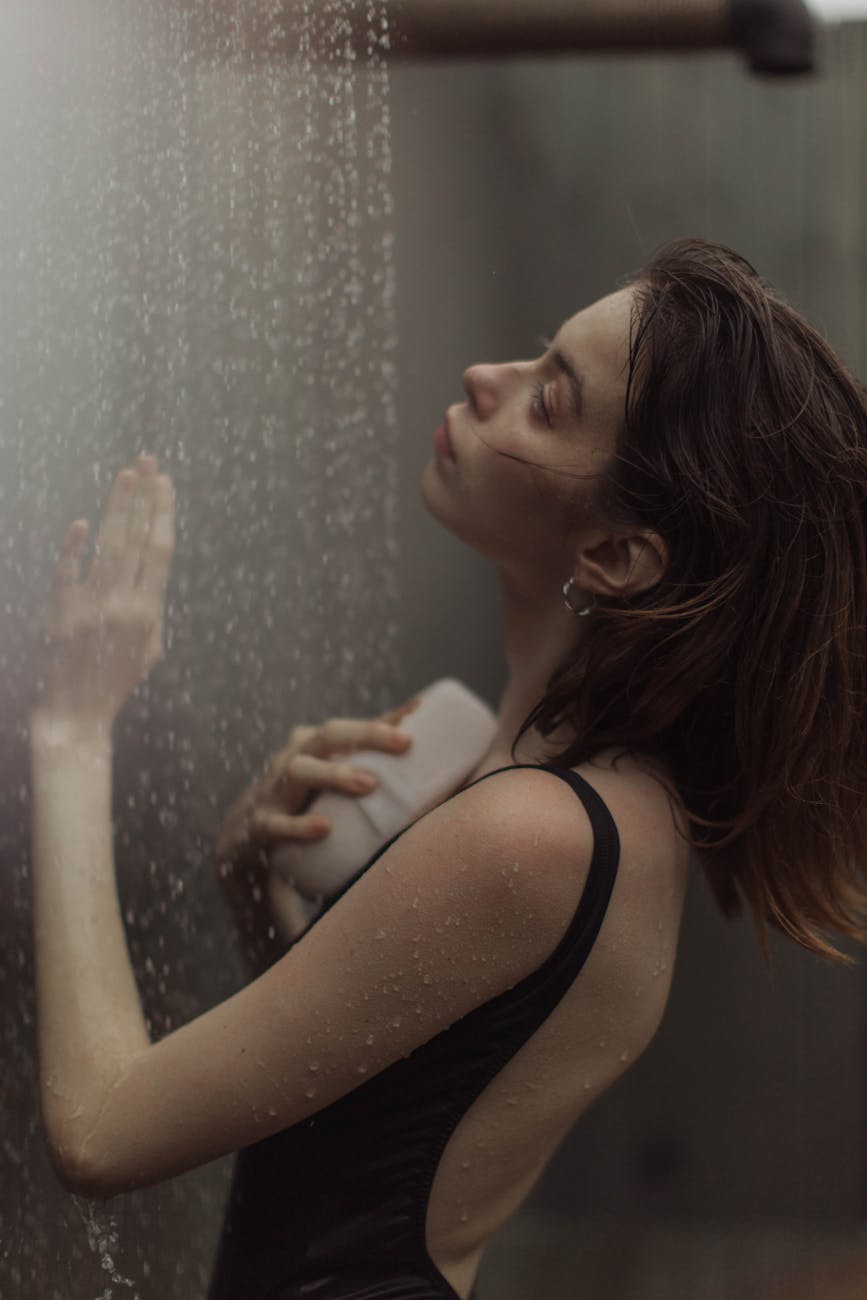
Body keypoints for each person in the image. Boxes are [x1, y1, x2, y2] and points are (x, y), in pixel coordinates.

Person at [28, 238, 867, 1300]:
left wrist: (73, 723)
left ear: (614, 555)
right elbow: (375, 1114)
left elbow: (102, 1131)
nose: (486, 377)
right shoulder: (585, 798)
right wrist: (257, 886)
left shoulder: (534, 835)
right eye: (533, 357)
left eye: (548, 400)